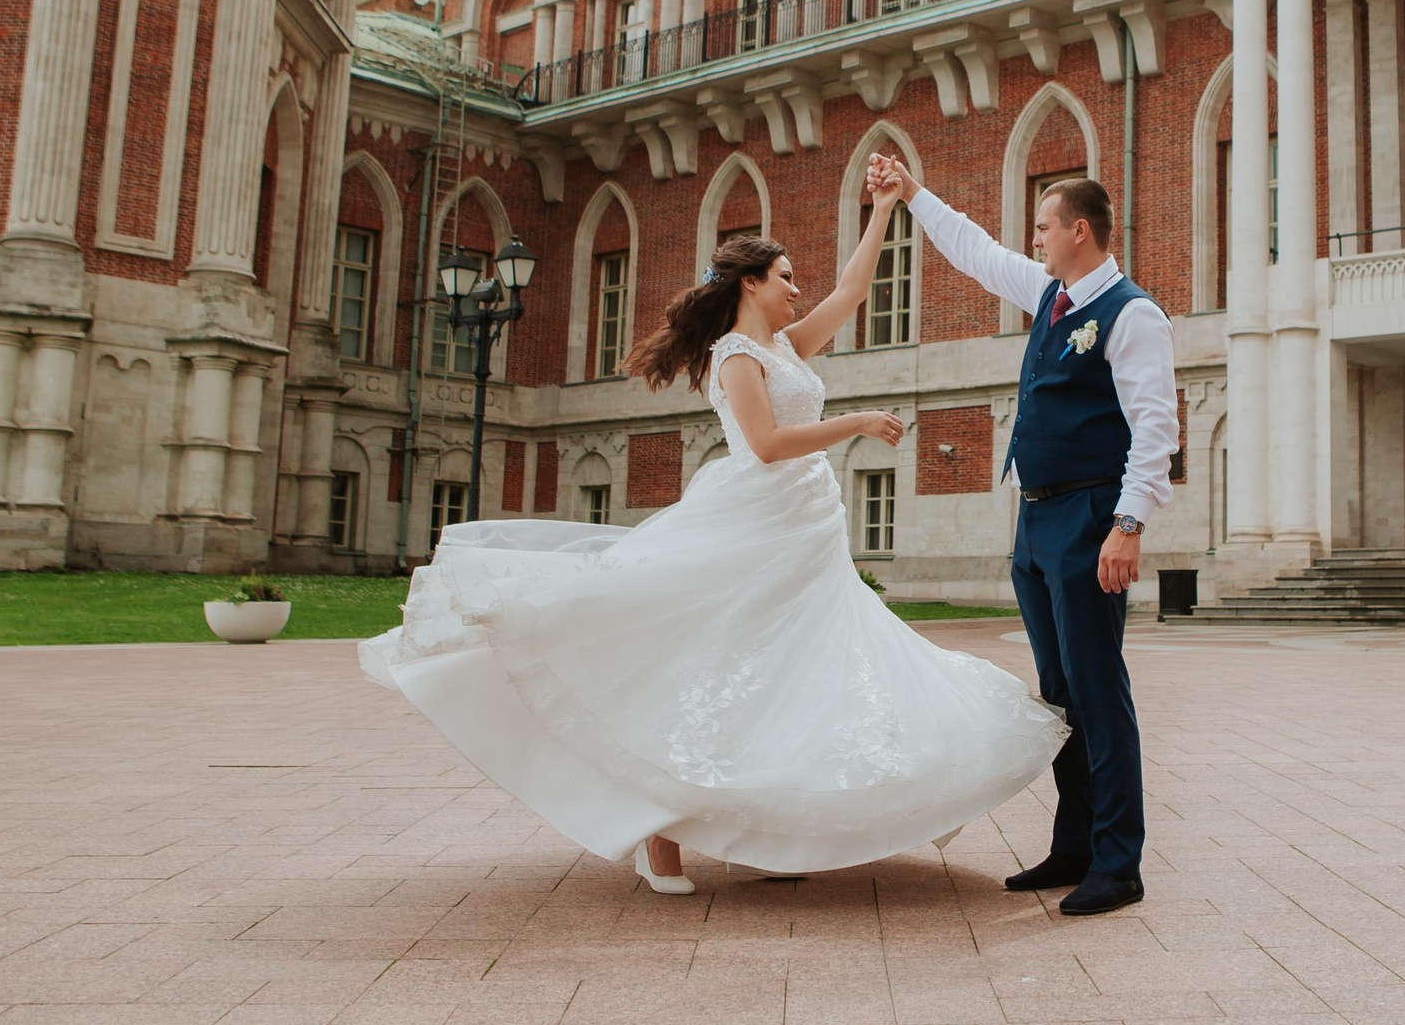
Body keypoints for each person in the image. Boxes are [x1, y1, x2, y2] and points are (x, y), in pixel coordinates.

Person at [359, 185, 1066, 894]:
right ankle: (660, 834)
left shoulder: (783, 344)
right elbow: (762, 443)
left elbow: (854, 290)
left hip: (804, 532)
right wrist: (852, 423)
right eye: (786, 277)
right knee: (715, 664)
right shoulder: (736, 354)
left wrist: (885, 207)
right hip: (758, 525)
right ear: (752, 284)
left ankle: (769, 830)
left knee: (790, 674)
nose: (798, 287)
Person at [866, 153, 1176, 916]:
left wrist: (1127, 524)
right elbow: (975, 250)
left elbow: (1155, 427)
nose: (1033, 238)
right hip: (1035, 520)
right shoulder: (1050, 294)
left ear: (1080, 229)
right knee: (1060, 696)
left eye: (1044, 225)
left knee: (1100, 692)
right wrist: (914, 192)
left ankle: (1118, 860)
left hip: (1089, 516)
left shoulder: (1133, 313)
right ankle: (1073, 845)